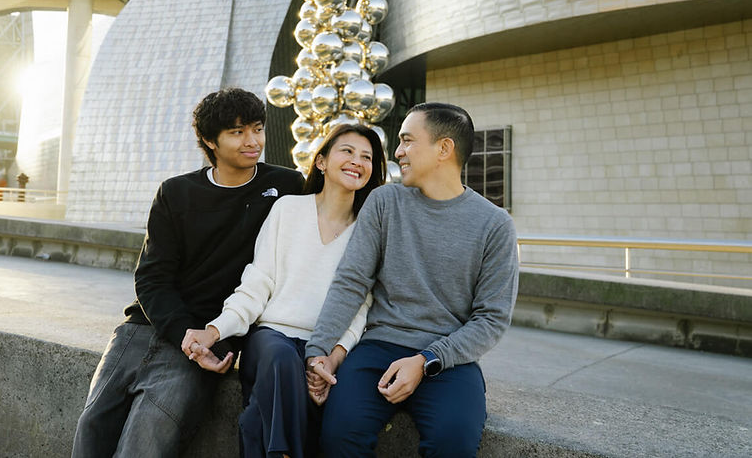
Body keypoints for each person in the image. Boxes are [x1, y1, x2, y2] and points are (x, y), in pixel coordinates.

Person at [71, 87, 304, 458]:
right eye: (237, 132)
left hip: (211, 337)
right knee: (92, 430)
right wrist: (183, 333)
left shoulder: (289, 187)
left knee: (145, 442)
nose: (252, 141)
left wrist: (209, 339)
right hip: (143, 328)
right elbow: (151, 277)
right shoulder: (176, 193)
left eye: (257, 129)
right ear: (210, 141)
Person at [305, 103, 519, 457]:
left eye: (407, 141)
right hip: (376, 350)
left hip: (448, 360)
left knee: (453, 443)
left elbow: (492, 319)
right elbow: (351, 281)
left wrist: (426, 360)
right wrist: (319, 351)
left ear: (444, 149)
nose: (398, 152)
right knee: (338, 437)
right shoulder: (385, 201)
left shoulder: (494, 225)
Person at [182, 123, 385, 457]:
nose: (357, 161)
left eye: (367, 157)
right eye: (347, 151)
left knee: (271, 399)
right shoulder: (288, 209)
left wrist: (332, 359)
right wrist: (215, 330)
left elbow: (361, 309)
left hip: (327, 346)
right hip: (272, 338)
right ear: (321, 161)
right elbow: (256, 284)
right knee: (282, 361)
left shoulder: (370, 231)